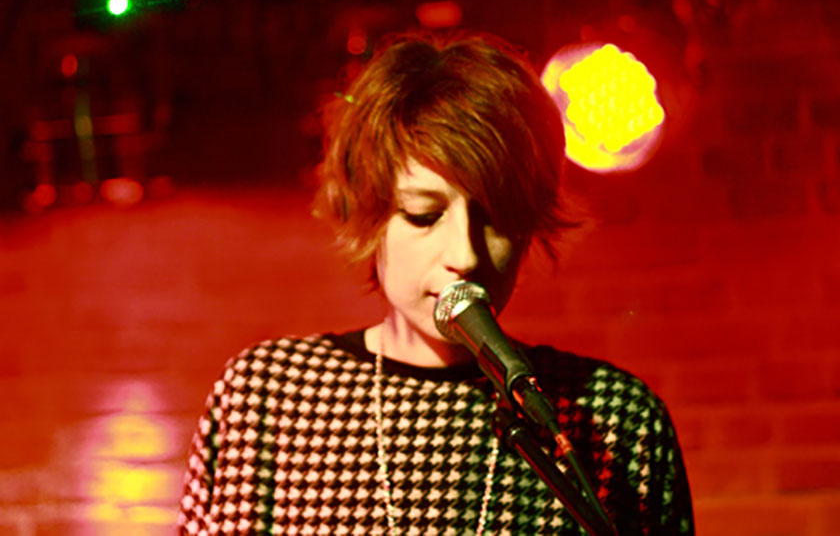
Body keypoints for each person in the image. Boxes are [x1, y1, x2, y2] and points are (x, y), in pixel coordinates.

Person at [178, 30, 693, 534]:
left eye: (495, 217)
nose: (463, 255)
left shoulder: (616, 419)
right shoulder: (267, 395)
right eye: (423, 215)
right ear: (371, 215)